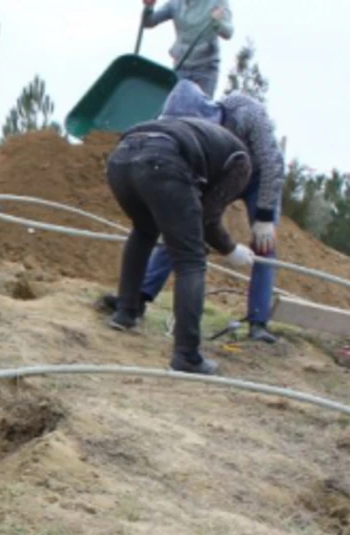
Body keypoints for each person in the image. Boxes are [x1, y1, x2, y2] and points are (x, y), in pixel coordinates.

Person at [99, 80, 286, 343]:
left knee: (264, 245)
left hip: (254, 176)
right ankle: (137, 298)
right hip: (216, 168)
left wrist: (265, 215)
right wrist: (226, 246)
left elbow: (272, 162)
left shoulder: (248, 112)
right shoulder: (192, 128)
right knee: (181, 228)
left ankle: (258, 322)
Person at [105, 115, 257, 374]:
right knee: (191, 259)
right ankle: (187, 356)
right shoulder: (242, 164)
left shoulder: (210, 137)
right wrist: (230, 249)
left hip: (120, 159)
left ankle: (125, 312)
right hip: (161, 161)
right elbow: (206, 218)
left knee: (143, 231)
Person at [142, 0, 234, 98]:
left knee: (200, 109)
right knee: (175, 108)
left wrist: (217, 23)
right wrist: (149, 7)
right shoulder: (176, 3)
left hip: (206, 67)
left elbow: (228, 33)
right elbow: (149, 22)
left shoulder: (218, 2)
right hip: (182, 66)